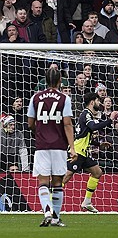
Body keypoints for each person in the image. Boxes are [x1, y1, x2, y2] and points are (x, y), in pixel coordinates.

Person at [27, 67, 77, 227]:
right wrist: (72, 147)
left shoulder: (36, 97)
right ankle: (55, 217)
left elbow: (30, 123)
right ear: (59, 81)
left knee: (43, 181)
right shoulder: (64, 98)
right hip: (59, 146)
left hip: (42, 146)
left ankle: (47, 212)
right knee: (57, 182)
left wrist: (40, 131)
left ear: (45, 80)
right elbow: (67, 124)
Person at [62, 93, 118, 213]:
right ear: (92, 102)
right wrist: (110, 119)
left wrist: (99, 144)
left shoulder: (87, 115)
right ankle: (49, 201)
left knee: (97, 172)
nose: (100, 104)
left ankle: (87, 202)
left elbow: (84, 135)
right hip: (77, 151)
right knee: (66, 176)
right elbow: (93, 127)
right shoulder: (86, 114)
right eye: (98, 101)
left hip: (84, 151)